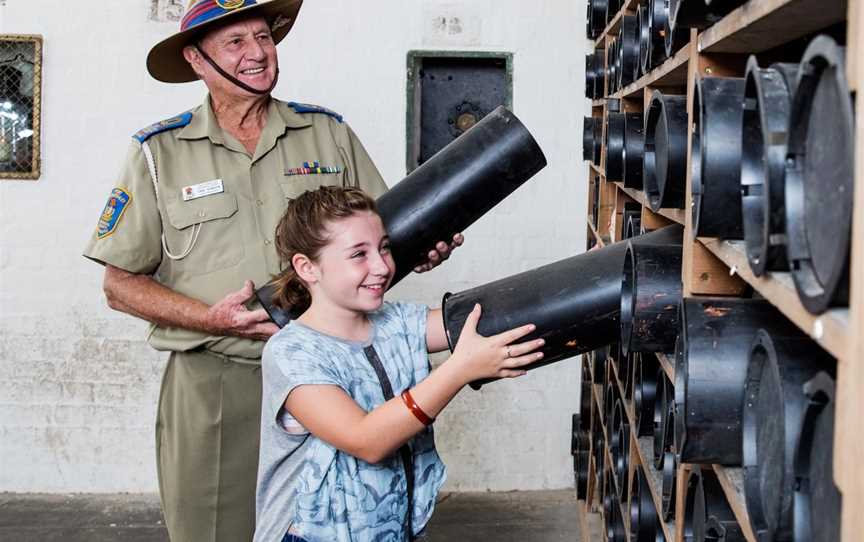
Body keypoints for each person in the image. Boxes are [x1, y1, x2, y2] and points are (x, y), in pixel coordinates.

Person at [82, 1, 460, 540]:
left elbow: (382, 237)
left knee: (354, 522)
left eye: (263, 36)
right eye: (235, 43)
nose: (257, 53)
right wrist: (213, 319)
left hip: (335, 372)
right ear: (196, 59)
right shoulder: (158, 153)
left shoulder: (326, 133)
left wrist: (417, 247)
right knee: (213, 529)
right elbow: (118, 285)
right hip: (218, 382)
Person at [255, 186, 544, 542]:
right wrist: (457, 370)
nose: (381, 266)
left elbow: (485, 322)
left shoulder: (397, 321)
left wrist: (590, 272)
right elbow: (366, 440)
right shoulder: (292, 353)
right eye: (358, 254)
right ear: (307, 267)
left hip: (390, 530)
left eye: (384, 248)